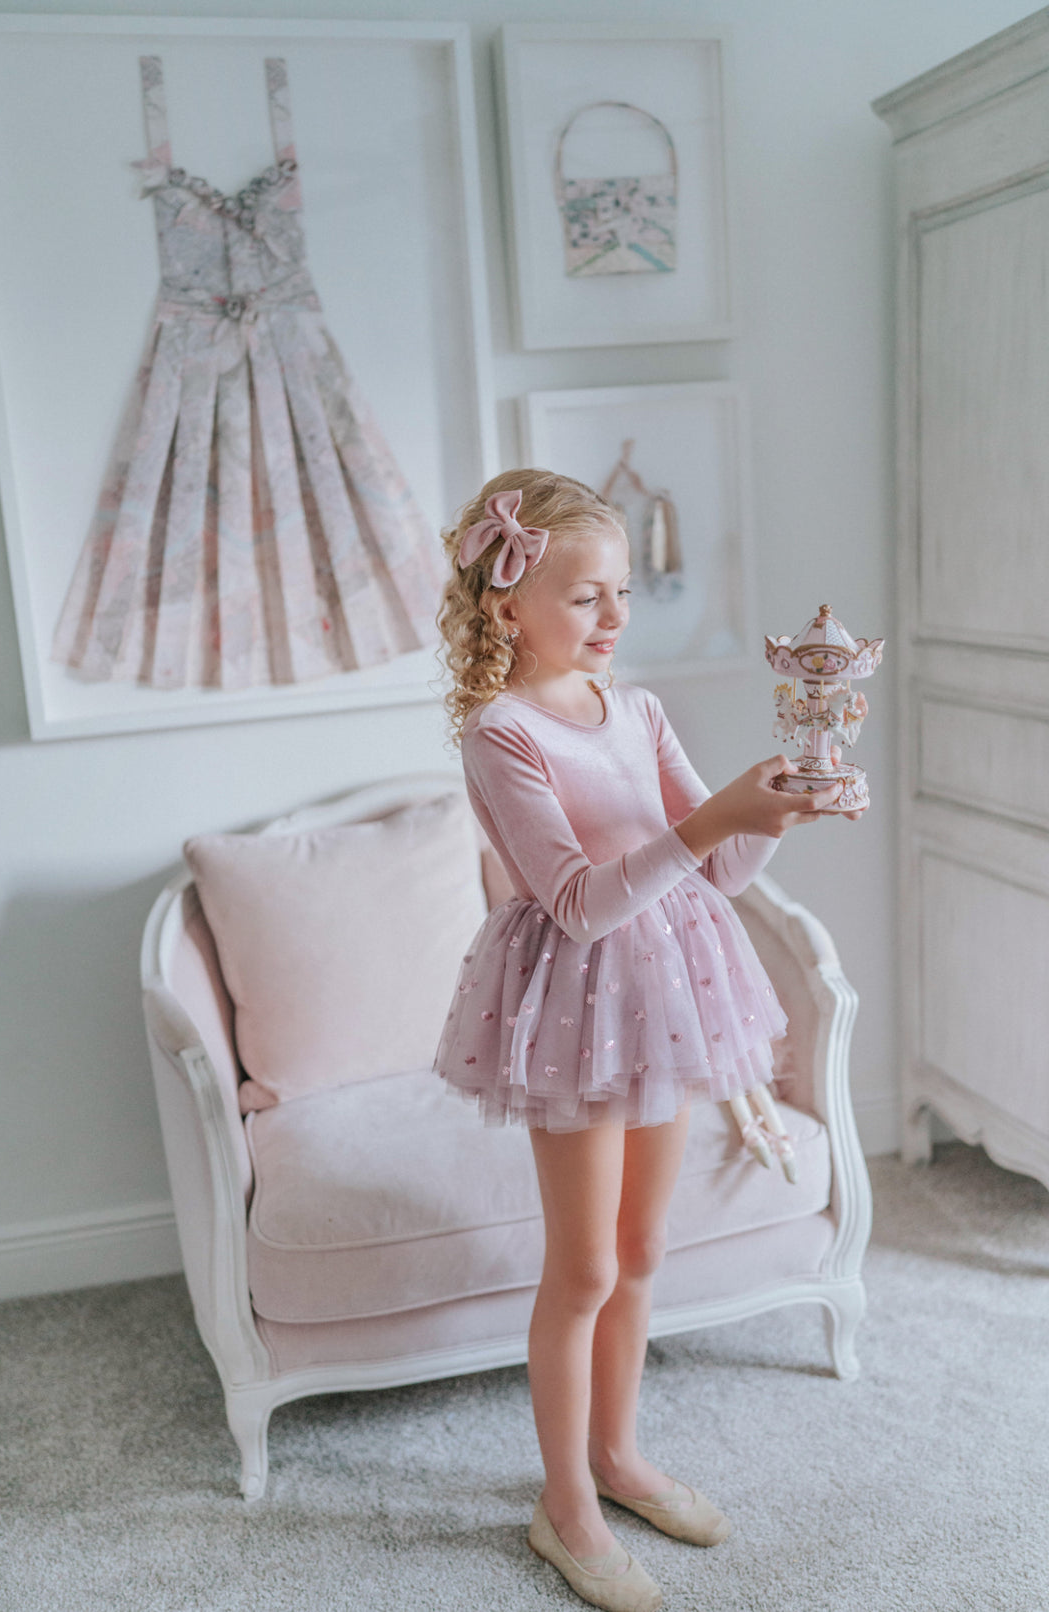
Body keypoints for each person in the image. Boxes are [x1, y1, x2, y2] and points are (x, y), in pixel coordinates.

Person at [433, 469, 865, 1612]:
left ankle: (618, 1458)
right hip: (574, 1003)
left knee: (642, 1249)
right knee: (579, 1265)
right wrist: (709, 817)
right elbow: (575, 900)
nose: (615, 617)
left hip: (664, 992)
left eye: (621, 592)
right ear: (507, 605)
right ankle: (563, 1503)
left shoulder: (638, 708)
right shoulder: (500, 732)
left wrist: (767, 818)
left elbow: (717, 869)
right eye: (587, 598)